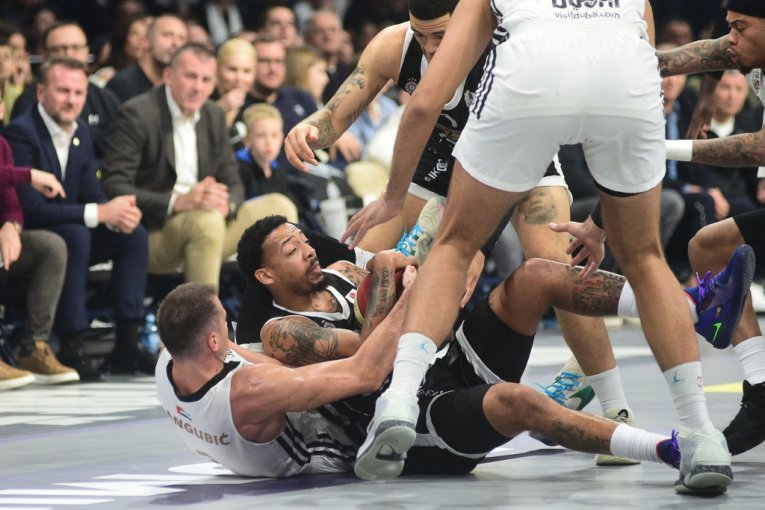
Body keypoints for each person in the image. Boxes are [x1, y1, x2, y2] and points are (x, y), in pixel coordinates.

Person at [341, 0, 733, 494]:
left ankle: (398, 400)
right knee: (646, 258)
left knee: (455, 244)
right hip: (626, 80)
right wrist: (600, 223)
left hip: (532, 78)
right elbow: (642, 70)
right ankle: (701, 433)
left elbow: (423, 105)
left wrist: (393, 197)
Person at [286, 0, 640, 467]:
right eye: (423, 36)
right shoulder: (393, 46)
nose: (432, 48)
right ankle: (358, 397)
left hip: (520, 153)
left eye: (442, 35)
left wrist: (474, 246)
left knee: (555, 266)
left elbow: (509, 162)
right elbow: (336, 114)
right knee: (369, 263)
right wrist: (309, 129)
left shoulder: (510, 47)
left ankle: (617, 409)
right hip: (443, 159)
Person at [155, 217, 684, 480]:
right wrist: (420, 289)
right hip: (400, 421)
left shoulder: (339, 271)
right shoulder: (281, 334)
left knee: (535, 276)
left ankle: (681, 305)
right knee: (517, 401)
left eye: (305, 240)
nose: (309, 250)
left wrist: (422, 273)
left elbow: (409, 281)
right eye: (293, 250)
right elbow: (369, 360)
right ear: (266, 276)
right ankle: (664, 448)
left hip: (434, 362)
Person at [657, 0, 765, 456]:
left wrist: (662, 147)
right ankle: (761, 391)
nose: (731, 39)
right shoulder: (747, 48)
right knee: (708, 248)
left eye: (740, 28)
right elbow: (688, 56)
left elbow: (759, 148)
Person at [100, 43, 298, 291]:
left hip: (210, 224)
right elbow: (114, 185)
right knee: (206, 221)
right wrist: (177, 202)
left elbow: (232, 178)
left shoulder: (212, 114)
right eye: (191, 77)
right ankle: (204, 314)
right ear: (168, 75)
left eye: (206, 80)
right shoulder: (137, 114)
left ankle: (282, 307)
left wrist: (228, 203)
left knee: (280, 207)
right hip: (154, 231)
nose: (198, 87)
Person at [4, 57, 150, 380]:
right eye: (63, 91)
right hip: (35, 237)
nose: (72, 100)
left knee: (133, 234)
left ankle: (128, 344)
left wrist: (117, 213)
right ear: (41, 92)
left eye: (79, 92)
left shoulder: (81, 131)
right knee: (76, 234)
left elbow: (90, 194)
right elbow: (30, 209)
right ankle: (73, 343)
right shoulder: (20, 134)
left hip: (70, 232)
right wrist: (99, 213)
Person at [0, 136, 75, 388]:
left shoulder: (2, 145)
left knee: (50, 246)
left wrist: (11, 225)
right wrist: (28, 175)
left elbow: (11, 203)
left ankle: (34, 348)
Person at [10, 21, 121, 161]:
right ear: (45, 55)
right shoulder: (27, 101)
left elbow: (119, 152)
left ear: (87, 52)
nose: (69, 54)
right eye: (59, 49)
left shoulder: (106, 99)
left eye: (76, 47)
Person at [106, 14, 188, 104]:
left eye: (181, 38)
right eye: (167, 35)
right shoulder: (121, 85)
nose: (176, 43)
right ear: (146, 41)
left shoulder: (181, 89)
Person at [212, 37, 257, 153]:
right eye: (232, 69)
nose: (239, 78)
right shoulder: (201, 102)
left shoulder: (257, 107)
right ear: (217, 68)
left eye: (247, 71)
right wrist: (218, 110)